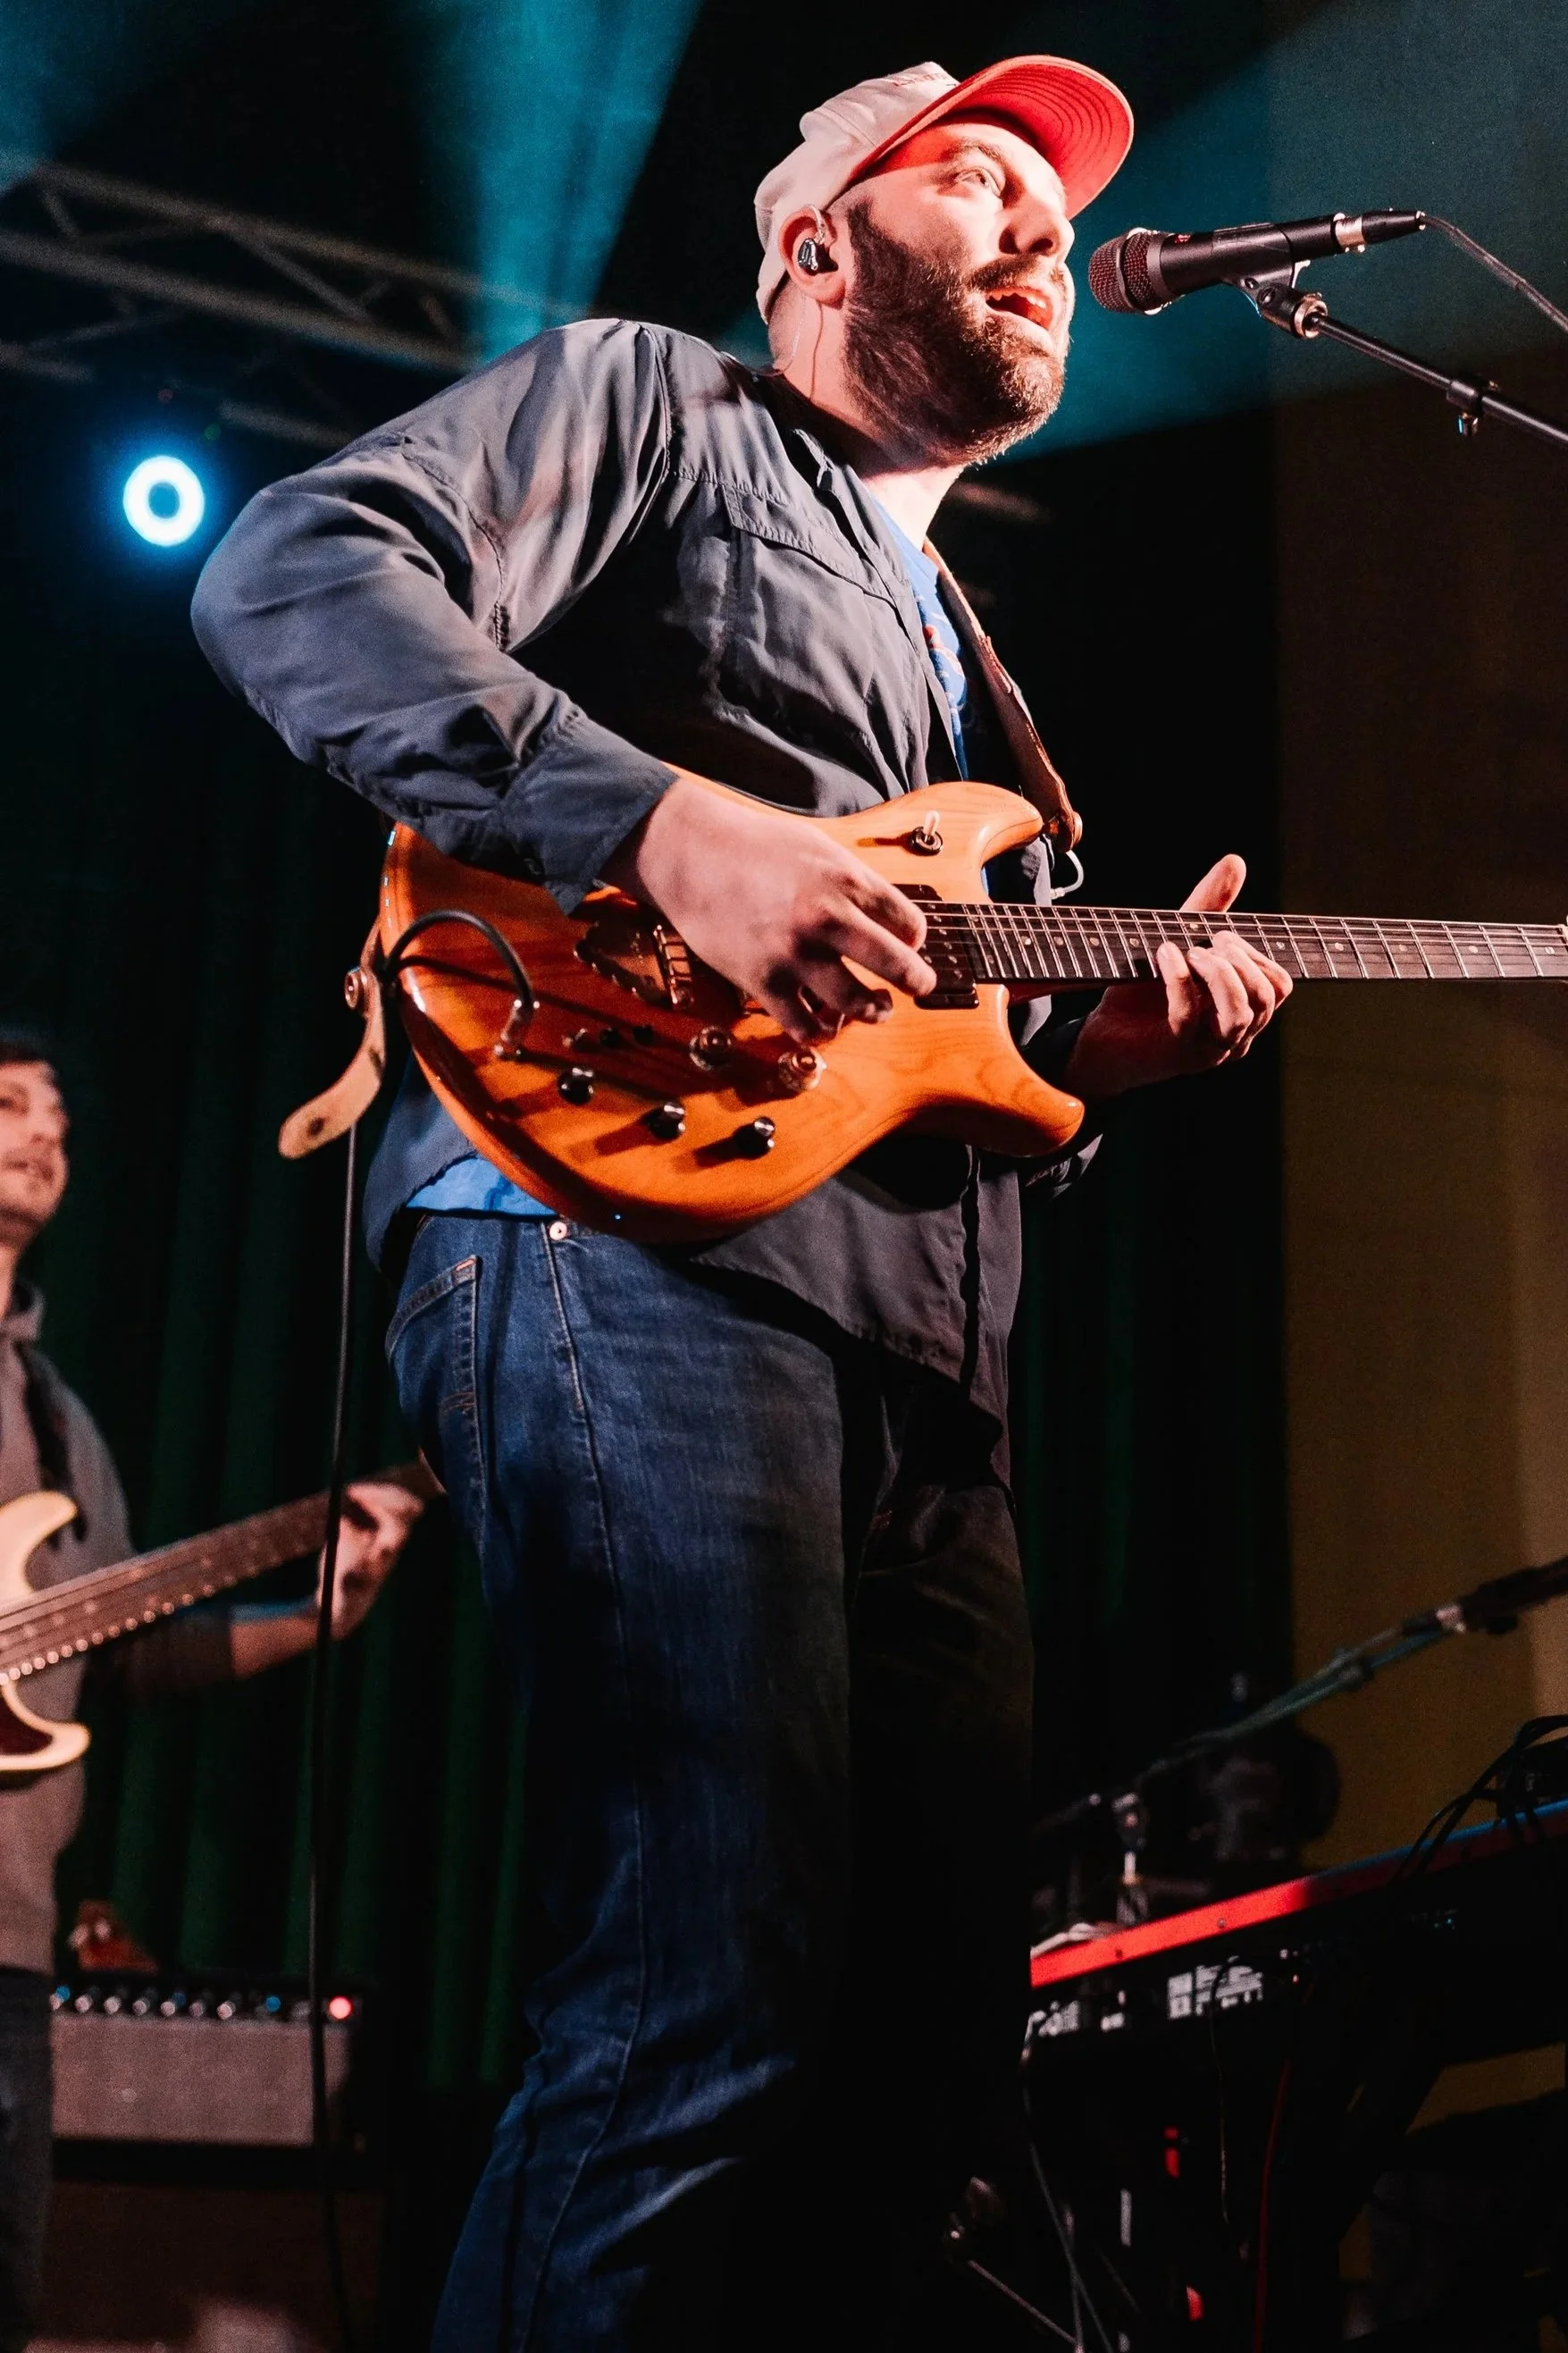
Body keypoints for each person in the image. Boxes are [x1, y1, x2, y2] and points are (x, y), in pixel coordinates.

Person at [190, 54, 1293, 2349]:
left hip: (921, 1366)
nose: (1040, 239)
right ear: (813, 245)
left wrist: (1096, 1064)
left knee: (909, 2069)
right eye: (977, 184)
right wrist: (665, 823)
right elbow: (293, 568)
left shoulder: (969, 667)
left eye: (1060, 224)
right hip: (627, 1256)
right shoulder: (651, 409)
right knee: (710, 1985)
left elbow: (939, 1050)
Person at [0, 1031, 423, 2353]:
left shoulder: (56, 1416)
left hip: (9, 1944)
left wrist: (319, 1609)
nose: (43, 1133)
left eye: (56, 1115)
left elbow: (123, 1653)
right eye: (6, 1105)